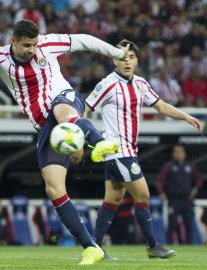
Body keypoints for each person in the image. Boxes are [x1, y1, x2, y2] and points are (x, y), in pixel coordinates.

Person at [0, 19, 127, 265]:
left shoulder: (48, 44)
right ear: (13, 41)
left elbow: (84, 40)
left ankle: (99, 142)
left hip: (64, 99)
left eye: (34, 44)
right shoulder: (1, 57)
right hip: (45, 126)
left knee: (63, 113)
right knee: (54, 188)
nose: (32, 50)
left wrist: (117, 53)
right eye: (26, 45)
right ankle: (91, 247)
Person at [87, 40, 203, 259]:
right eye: (122, 57)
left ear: (137, 60)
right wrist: (83, 136)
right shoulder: (107, 84)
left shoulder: (140, 83)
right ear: (114, 60)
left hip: (128, 152)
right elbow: (84, 108)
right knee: (143, 194)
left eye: (131, 57)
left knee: (112, 199)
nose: (127, 61)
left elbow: (160, 105)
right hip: (116, 152)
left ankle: (94, 246)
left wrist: (187, 116)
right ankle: (152, 245)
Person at [156, 144, 204, 244]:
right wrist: (161, 193)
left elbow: (199, 179)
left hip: (187, 200)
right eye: (176, 152)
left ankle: (190, 246)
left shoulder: (190, 166)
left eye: (180, 152)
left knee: (188, 225)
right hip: (173, 200)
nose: (178, 154)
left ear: (184, 153)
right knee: (172, 225)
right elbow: (159, 181)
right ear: (173, 154)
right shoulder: (168, 166)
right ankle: (169, 245)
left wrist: (195, 189)